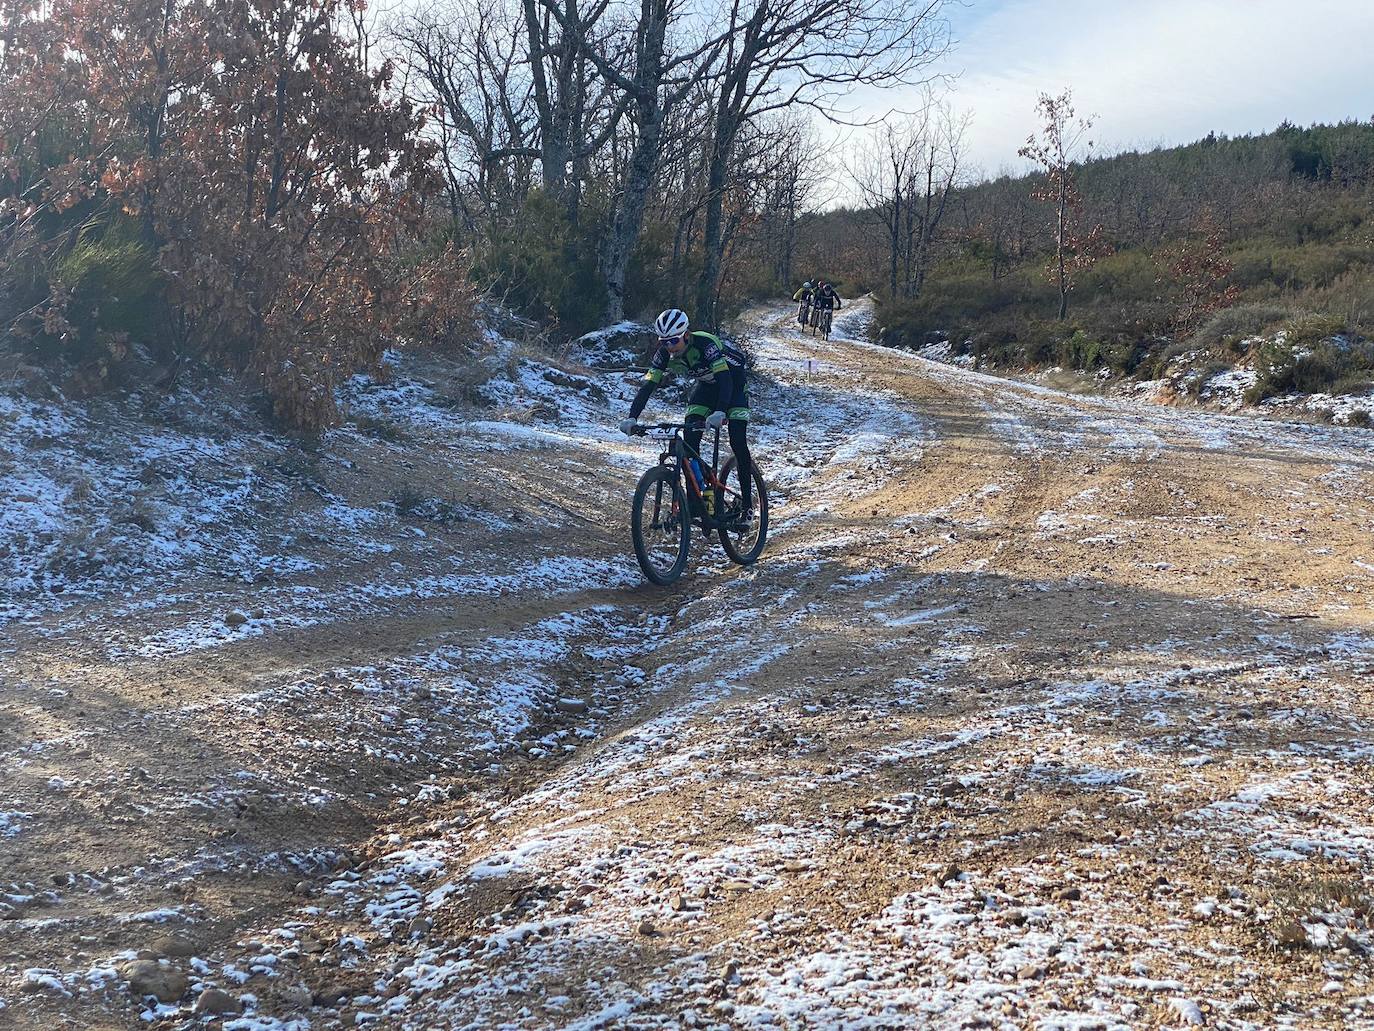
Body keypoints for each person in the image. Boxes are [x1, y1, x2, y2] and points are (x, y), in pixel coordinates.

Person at [620, 308, 755, 527]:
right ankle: (697, 501)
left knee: (737, 440)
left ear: (685, 335)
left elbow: (725, 379)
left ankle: (748, 505)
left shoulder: (705, 344)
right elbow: (648, 386)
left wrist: (721, 411)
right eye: (664, 341)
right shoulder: (664, 353)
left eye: (673, 340)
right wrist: (632, 417)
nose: (669, 346)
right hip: (705, 389)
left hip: (733, 386)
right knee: (690, 440)